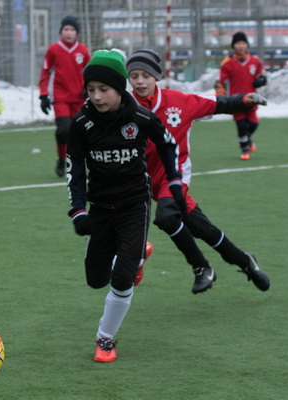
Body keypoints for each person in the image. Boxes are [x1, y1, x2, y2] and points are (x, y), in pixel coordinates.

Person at [67, 49, 185, 363]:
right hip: (100, 207)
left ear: (120, 89)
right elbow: (74, 168)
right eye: (91, 89)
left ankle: (105, 339)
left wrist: (174, 179)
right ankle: (138, 254)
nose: (96, 96)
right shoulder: (81, 123)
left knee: (121, 279)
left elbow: (167, 143)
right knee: (96, 280)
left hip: (134, 203)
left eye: (104, 89)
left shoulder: (140, 117)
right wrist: (78, 210)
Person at [126, 49, 270, 293]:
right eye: (134, 76)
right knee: (204, 230)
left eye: (146, 76)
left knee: (166, 218)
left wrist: (243, 99)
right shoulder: (123, 107)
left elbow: (216, 103)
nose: (140, 81)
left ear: (157, 77)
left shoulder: (179, 102)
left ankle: (201, 267)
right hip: (143, 180)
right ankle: (247, 262)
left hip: (174, 176)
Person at [39, 16, 90, 177]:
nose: (69, 33)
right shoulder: (53, 49)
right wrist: (43, 95)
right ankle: (61, 160)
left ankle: (81, 165)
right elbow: (45, 72)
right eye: (66, 29)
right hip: (60, 98)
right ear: (61, 31)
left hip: (79, 99)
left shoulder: (83, 50)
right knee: (64, 130)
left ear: (77, 32)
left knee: (81, 133)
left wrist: (88, 88)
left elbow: (90, 72)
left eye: (72, 30)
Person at [215, 31, 267, 160]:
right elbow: (220, 82)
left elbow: (262, 75)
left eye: (243, 43)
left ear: (247, 45)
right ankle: (245, 150)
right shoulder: (227, 63)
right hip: (236, 100)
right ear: (233, 46)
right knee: (241, 125)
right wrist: (220, 95)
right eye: (238, 43)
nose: (241, 46)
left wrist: (261, 80)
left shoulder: (255, 61)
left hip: (252, 99)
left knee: (253, 124)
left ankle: (247, 141)